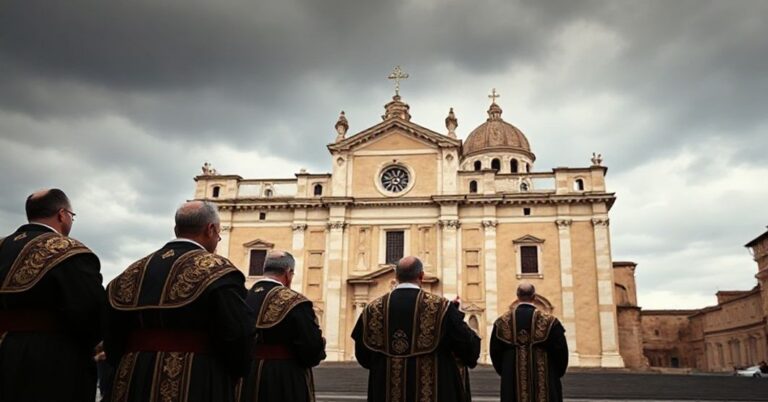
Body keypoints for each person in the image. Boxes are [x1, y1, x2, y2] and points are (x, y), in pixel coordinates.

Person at [104, 201, 254, 402]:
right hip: (195, 378)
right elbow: (238, 335)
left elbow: (112, 334)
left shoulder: (132, 271)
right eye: (219, 234)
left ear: (176, 229)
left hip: (132, 377)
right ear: (210, 230)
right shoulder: (219, 271)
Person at [0, 189, 105, 402]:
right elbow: (92, 312)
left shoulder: (3, 245)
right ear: (62, 214)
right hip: (48, 358)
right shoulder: (69, 251)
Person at [351, 256, 481, 402]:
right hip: (434, 390)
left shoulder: (372, 309)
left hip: (385, 389)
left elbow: (363, 355)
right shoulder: (441, 307)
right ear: (421, 276)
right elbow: (468, 346)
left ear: (396, 276)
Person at [240, 251, 326, 402]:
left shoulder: (242, 298)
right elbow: (311, 348)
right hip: (283, 377)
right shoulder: (296, 302)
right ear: (288, 273)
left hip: (246, 376)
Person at [490, 283, 569, 402]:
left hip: (512, 379)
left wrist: (506, 371)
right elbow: (561, 352)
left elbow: (495, 352)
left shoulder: (502, 322)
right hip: (544, 379)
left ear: (517, 296)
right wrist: (556, 373)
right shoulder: (550, 322)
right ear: (534, 297)